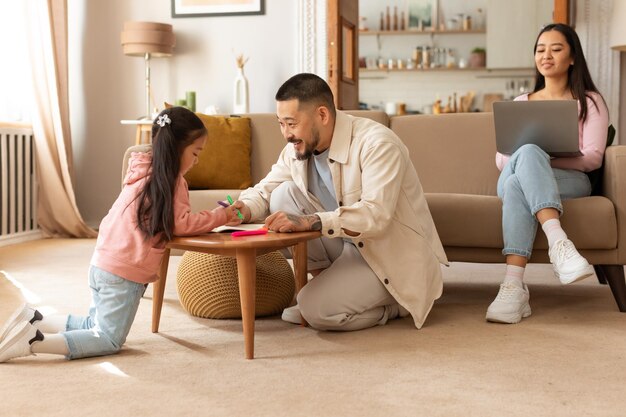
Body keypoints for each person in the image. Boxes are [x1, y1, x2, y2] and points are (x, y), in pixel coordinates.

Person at [0, 106, 241, 362]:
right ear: (175, 148)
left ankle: (36, 320)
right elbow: (181, 224)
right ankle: (32, 343)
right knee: (108, 338)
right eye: (196, 152)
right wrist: (222, 215)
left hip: (102, 262)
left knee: (95, 322)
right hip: (124, 271)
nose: (197, 160)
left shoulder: (142, 171)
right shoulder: (172, 182)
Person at [231, 73, 448, 331]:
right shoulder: (297, 148)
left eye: (291, 123)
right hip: (346, 246)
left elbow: (375, 216)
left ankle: (396, 305)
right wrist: (241, 208)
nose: (286, 134)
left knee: (315, 312)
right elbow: (266, 189)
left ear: (322, 115)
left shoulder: (378, 143)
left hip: (386, 255)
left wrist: (308, 221)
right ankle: (326, 283)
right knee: (282, 194)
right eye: (280, 123)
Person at [486, 23, 609, 324]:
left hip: (569, 182)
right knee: (526, 155)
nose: (547, 56)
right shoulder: (520, 103)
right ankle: (560, 244)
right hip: (521, 174)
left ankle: (513, 286)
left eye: (556, 49)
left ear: (572, 58)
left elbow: (592, 158)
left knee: (519, 180)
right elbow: (502, 159)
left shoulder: (590, 101)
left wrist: (542, 159)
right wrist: (534, 156)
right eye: (541, 50)